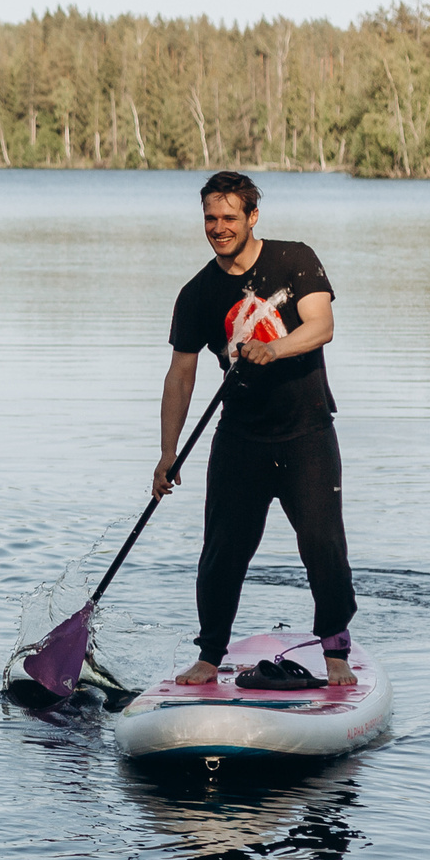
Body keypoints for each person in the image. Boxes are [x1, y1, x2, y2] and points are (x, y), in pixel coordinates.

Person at [153, 171, 356, 687]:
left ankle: (335, 651)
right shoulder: (197, 293)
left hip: (307, 432)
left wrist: (275, 347)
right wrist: (167, 453)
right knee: (222, 549)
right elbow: (181, 375)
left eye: (228, 218)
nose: (218, 228)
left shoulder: (294, 258)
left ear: (252, 217)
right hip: (240, 438)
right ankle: (210, 652)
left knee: (322, 543)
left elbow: (321, 325)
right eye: (210, 219)